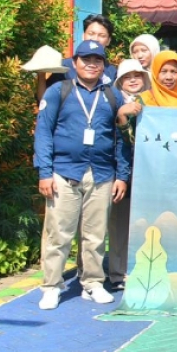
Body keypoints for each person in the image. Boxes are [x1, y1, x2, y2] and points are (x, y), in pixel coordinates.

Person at [33, 40, 128, 310]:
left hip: (101, 174)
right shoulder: (57, 91)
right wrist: (44, 172)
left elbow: (121, 138)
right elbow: (43, 133)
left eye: (97, 60)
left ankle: (93, 283)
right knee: (58, 234)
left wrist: (122, 175)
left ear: (104, 65)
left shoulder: (112, 95)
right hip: (64, 172)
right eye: (85, 59)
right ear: (75, 63)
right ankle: (52, 286)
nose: (91, 64)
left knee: (96, 235)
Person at [107, 58, 147, 292]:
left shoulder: (155, 101)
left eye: (137, 75)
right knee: (119, 225)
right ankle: (117, 274)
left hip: (149, 173)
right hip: (120, 171)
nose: (133, 80)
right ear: (120, 81)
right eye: (127, 77)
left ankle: (141, 272)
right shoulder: (111, 101)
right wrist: (121, 114)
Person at [61, 14, 119, 83]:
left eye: (102, 35)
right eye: (91, 33)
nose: (95, 39)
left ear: (108, 41)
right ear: (83, 36)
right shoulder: (64, 67)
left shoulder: (112, 72)